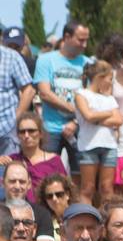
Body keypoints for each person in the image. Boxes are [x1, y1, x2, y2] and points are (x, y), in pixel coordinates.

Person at [33, 20, 90, 160]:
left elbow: (90, 97)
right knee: (47, 174)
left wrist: (76, 121)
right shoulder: (46, 60)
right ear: (67, 37)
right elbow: (45, 93)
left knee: (80, 177)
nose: (84, 45)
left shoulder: (88, 63)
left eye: (86, 40)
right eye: (81, 40)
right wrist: (74, 109)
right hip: (51, 129)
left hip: (79, 128)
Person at [72, 62, 122, 206]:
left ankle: (108, 221)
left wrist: (96, 119)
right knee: (88, 188)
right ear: (100, 77)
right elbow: (88, 116)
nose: (110, 82)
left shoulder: (109, 98)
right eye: (109, 78)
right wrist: (107, 114)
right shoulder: (81, 94)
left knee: (107, 188)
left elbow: (118, 120)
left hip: (109, 145)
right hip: (88, 145)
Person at [3, 113, 67, 201]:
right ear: (17, 136)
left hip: (47, 211)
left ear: (41, 134)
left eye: (31, 131)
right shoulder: (10, 160)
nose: (26, 135)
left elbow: (65, 191)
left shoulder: (54, 161)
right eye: (22, 132)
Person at [0, 25, 32, 157]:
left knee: (9, 173)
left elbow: (28, 90)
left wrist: (16, 118)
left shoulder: (12, 57)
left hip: (7, 128)